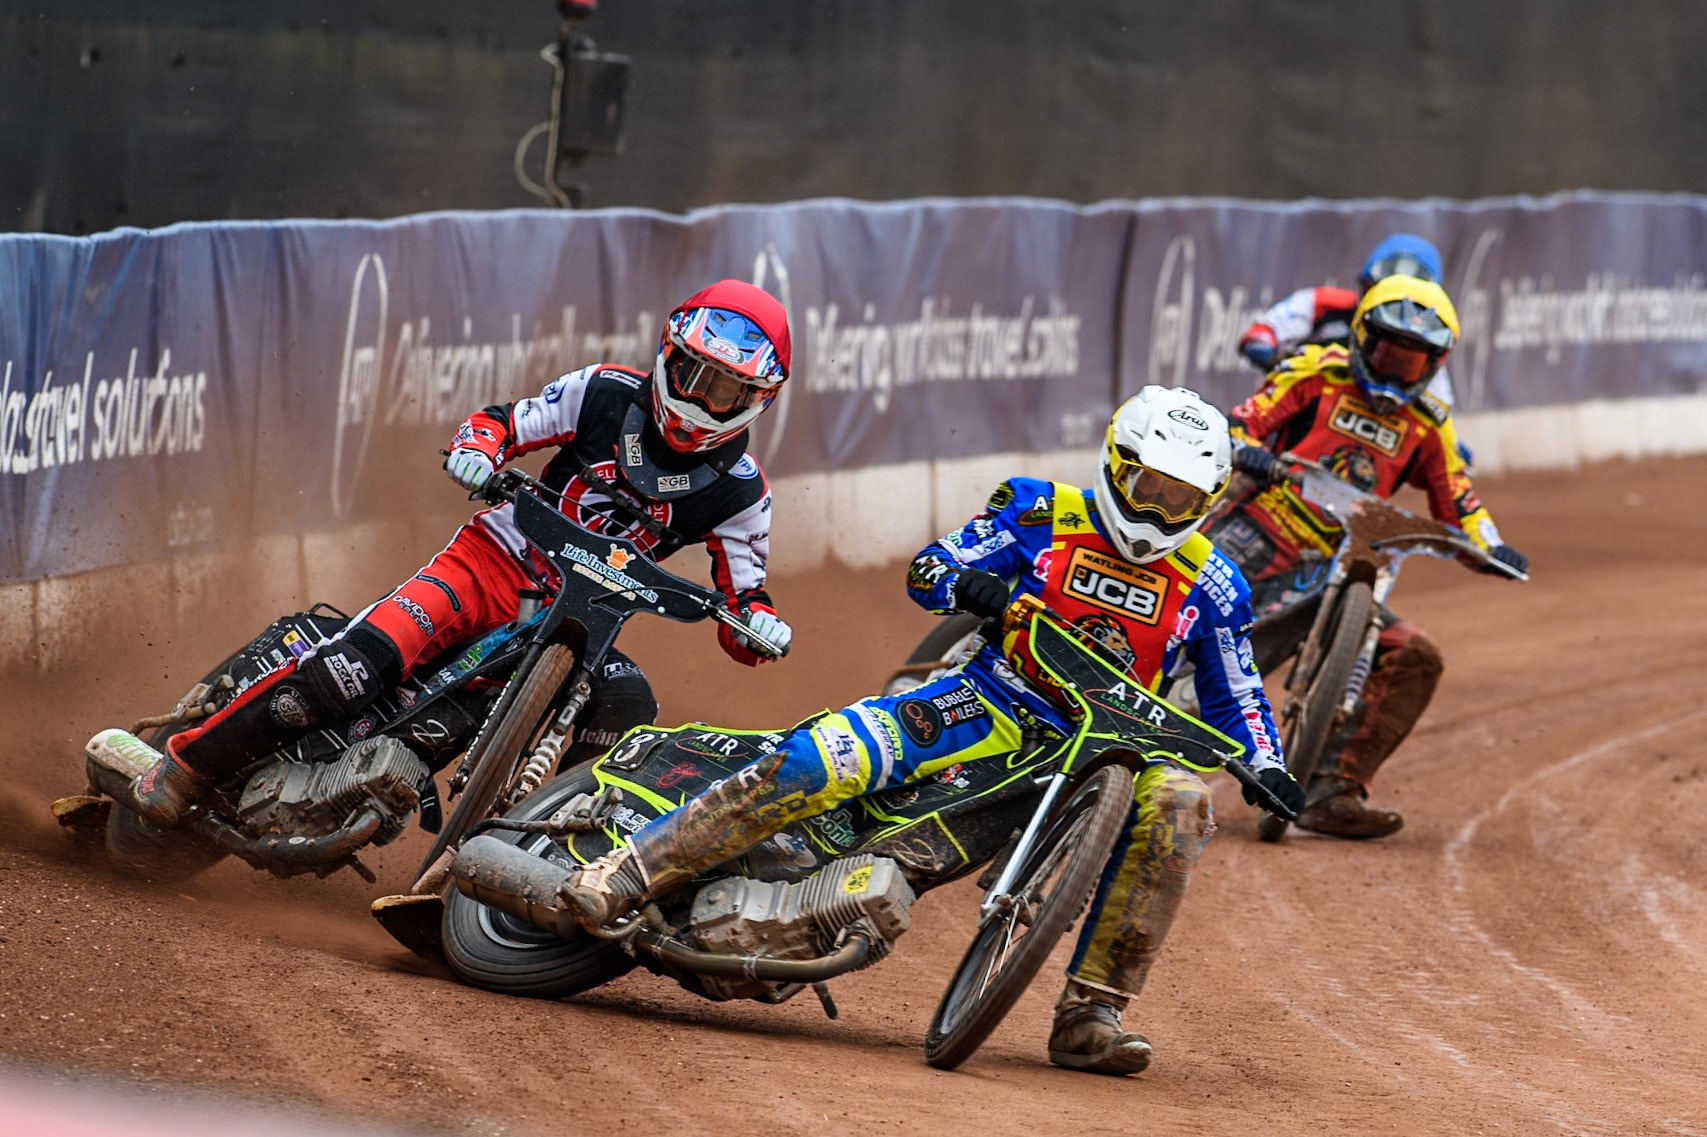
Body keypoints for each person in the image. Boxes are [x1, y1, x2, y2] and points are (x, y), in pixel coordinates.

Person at [555, 386, 1305, 1077]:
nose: (1158, 509)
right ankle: (627, 872)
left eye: (1180, 498)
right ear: (1117, 465)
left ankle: (1090, 1012)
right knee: (823, 758)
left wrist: (1267, 763)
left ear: (1206, 501)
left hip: (1116, 744)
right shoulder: (1039, 510)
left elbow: (1236, 687)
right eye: (1149, 486)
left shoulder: (1215, 584)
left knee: (1182, 802)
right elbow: (930, 567)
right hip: (989, 700)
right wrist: (967, 582)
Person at [94, 280, 796, 831]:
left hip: (581, 626)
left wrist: (757, 626)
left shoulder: (742, 494)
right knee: (350, 670)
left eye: (725, 388)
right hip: (492, 562)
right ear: (668, 353)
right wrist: (477, 450)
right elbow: (503, 422)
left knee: (628, 698)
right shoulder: (605, 392)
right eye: (693, 372)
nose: (701, 397)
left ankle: (533, 850)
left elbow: (745, 600)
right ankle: (183, 769)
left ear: (756, 399)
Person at [1208, 274, 1527, 840]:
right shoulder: (1318, 370)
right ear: (1361, 337)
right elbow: (1244, 418)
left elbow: (1459, 498)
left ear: (1434, 363)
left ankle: (1330, 789)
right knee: (1185, 594)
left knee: (1416, 656)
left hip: (1345, 564)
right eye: (1385, 351)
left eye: (1410, 361)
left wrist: (1490, 545)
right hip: (1266, 527)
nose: (1392, 370)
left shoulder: (1428, 422)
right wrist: (1246, 450)